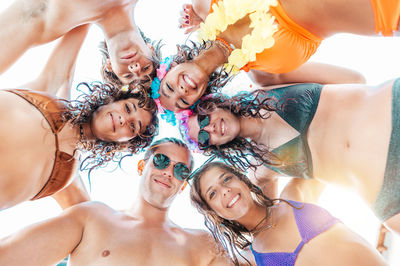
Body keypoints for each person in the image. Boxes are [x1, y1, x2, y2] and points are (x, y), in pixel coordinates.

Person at [179, 78, 400, 235]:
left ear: (212, 104)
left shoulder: (266, 82)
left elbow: (353, 78)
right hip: (386, 194)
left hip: (389, 113)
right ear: (215, 147)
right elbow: (266, 224)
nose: (211, 130)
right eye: (204, 139)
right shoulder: (259, 169)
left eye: (204, 120)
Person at [0, 138, 234, 266]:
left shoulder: (202, 244)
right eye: (161, 160)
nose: (168, 172)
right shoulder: (92, 219)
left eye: (181, 170)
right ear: (142, 166)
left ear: (183, 184)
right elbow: (9, 255)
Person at [0, 25, 159, 211]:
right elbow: (82, 21)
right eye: (127, 108)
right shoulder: (49, 93)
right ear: (113, 99)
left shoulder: (66, 178)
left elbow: (99, 227)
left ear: (124, 143)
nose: (124, 119)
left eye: (132, 127)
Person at [155, 0, 400, 111]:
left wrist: (201, 19)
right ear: (202, 96)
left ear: (172, 67)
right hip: (382, 13)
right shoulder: (264, 76)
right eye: (184, 101)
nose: (181, 91)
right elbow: (354, 79)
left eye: (169, 88)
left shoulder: (205, 5)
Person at [190, 161, 387, 266]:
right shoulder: (248, 259)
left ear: (242, 180)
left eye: (226, 179)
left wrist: (264, 173)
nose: (225, 190)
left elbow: (327, 157)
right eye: (213, 193)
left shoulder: (293, 197)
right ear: (215, 212)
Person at [0, 0, 162, 85]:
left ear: (109, 66)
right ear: (151, 50)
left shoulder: (56, 21)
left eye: (127, 76)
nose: (135, 68)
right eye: (146, 68)